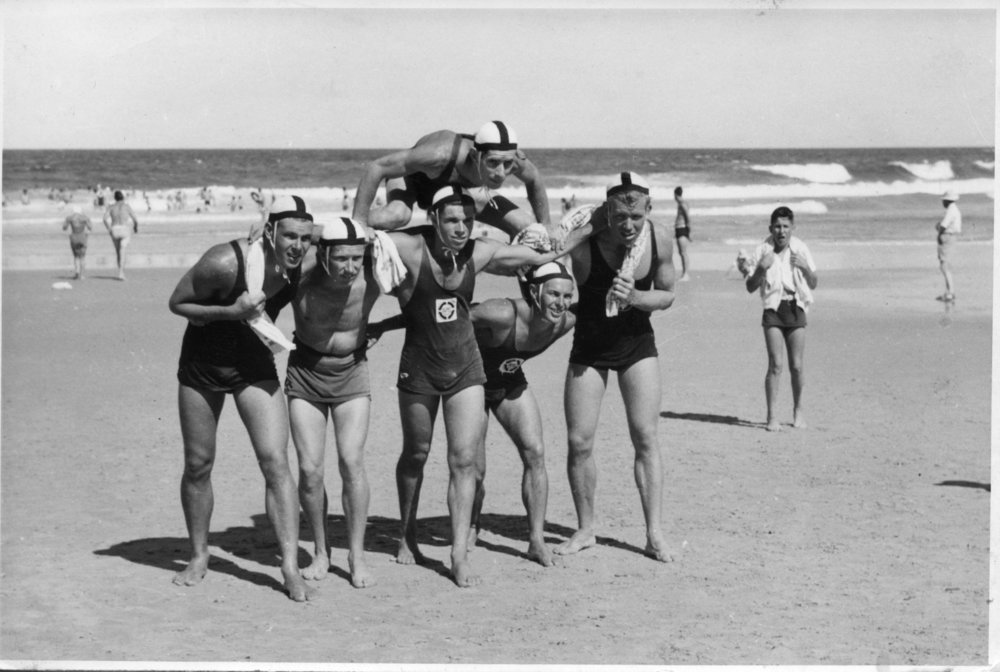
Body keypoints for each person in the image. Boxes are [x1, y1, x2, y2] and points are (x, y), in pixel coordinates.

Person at [372, 185, 592, 587]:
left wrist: (581, 233)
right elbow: (357, 237)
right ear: (435, 218)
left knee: (464, 461)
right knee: (417, 453)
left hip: (467, 369)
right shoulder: (409, 246)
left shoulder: (481, 251)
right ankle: (407, 533)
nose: (461, 228)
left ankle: (458, 553)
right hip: (420, 365)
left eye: (467, 221)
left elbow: (543, 256)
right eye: (453, 220)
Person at [167, 194, 316, 602]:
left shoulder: (299, 262)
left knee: (275, 462)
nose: (297, 246)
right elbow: (177, 302)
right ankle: (199, 555)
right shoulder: (224, 262)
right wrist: (232, 311)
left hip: (254, 364)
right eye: (288, 236)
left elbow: (357, 232)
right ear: (269, 232)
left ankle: (289, 565)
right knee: (199, 463)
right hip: (203, 366)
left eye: (305, 237)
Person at [555, 171, 677, 562]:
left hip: (636, 343)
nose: (628, 225)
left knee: (645, 436)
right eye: (619, 216)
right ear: (607, 211)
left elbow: (667, 295)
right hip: (589, 344)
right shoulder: (586, 237)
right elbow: (550, 250)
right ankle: (586, 529)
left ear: (648, 211)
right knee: (579, 441)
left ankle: (654, 533)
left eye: (636, 217)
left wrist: (638, 297)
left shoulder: (659, 237)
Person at [286, 217, 382, 589]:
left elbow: (413, 243)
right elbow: (270, 258)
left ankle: (355, 555)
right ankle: (321, 551)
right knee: (310, 470)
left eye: (356, 259)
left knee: (351, 460)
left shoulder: (373, 273)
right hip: (306, 373)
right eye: (341, 259)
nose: (350, 268)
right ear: (323, 254)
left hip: (352, 373)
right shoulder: (301, 277)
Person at [468, 261, 577, 567]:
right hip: (471, 381)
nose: (561, 303)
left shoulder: (564, 323)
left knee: (536, 453)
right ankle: (471, 525)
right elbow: (444, 314)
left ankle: (536, 540)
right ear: (535, 292)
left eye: (567, 296)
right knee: (474, 468)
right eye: (554, 294)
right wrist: (383, 327)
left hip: (509, 381)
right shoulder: (500, 313)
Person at [352, 121, 551, 238]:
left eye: (507, 164)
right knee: (397, 215)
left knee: (532, 231)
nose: (500, 172)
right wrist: (360, 221)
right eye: (493, 163)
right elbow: (376, 167)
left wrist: (547, 224)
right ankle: (341, 226)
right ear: (475, 156)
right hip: (413, 181)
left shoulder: (510, 157)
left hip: (455, 191)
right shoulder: (439, 154)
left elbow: (534, 179)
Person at [737, 205, 818, 432]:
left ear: (792, 228)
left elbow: (813, 283)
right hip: (772, 309)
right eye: (777, 226)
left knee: (797, 366)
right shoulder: (763, 249)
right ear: (770, 228)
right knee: (775, 365)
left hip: (796, 307)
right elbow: (750, 287)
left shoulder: (800, 248)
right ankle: (772, 416)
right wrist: (760, 270)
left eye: (785, 227)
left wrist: (806, 269)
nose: (781, 231)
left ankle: (798, 411)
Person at [103, 190, 139, 280]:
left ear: (115, 198)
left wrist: (109, 228)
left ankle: (120, 272)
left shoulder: (111, 207)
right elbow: (135, 219)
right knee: (122, 250)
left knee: (118, 252)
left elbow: (104, 219)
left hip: (114, 229)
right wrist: (135, 228)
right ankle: (121, 273)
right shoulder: (126, 206)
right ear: (123, 197)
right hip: (124, 229)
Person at [935, 190, 962, 302]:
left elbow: (943, 226)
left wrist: (938, 229)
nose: (942, 202)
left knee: (944, 265)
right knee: (945, 265)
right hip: (951, 236)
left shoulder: (950, 211)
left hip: (947, 237)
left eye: (943, 200)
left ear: (947, 200)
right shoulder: (954, 210)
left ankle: (950, 292)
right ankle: (949, 292)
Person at [63, 205, 93, 279]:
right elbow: (90, 227)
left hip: (74, 237)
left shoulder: (69, 218)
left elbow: (64, 227)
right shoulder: (85, 217)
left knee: (76, 256)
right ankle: (81, 275)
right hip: (82, 237)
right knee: (82, 257)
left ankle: (77, 273)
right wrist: (87, 233)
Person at [673, 186, 691, 281]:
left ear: (676, 195)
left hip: (683, 229)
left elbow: (688, 218)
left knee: (683, 253)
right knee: (681, 252)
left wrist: (689, 232)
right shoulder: (681, 204)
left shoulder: (683, 204)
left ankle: (686, 274)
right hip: (679, 229)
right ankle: (684, 273)